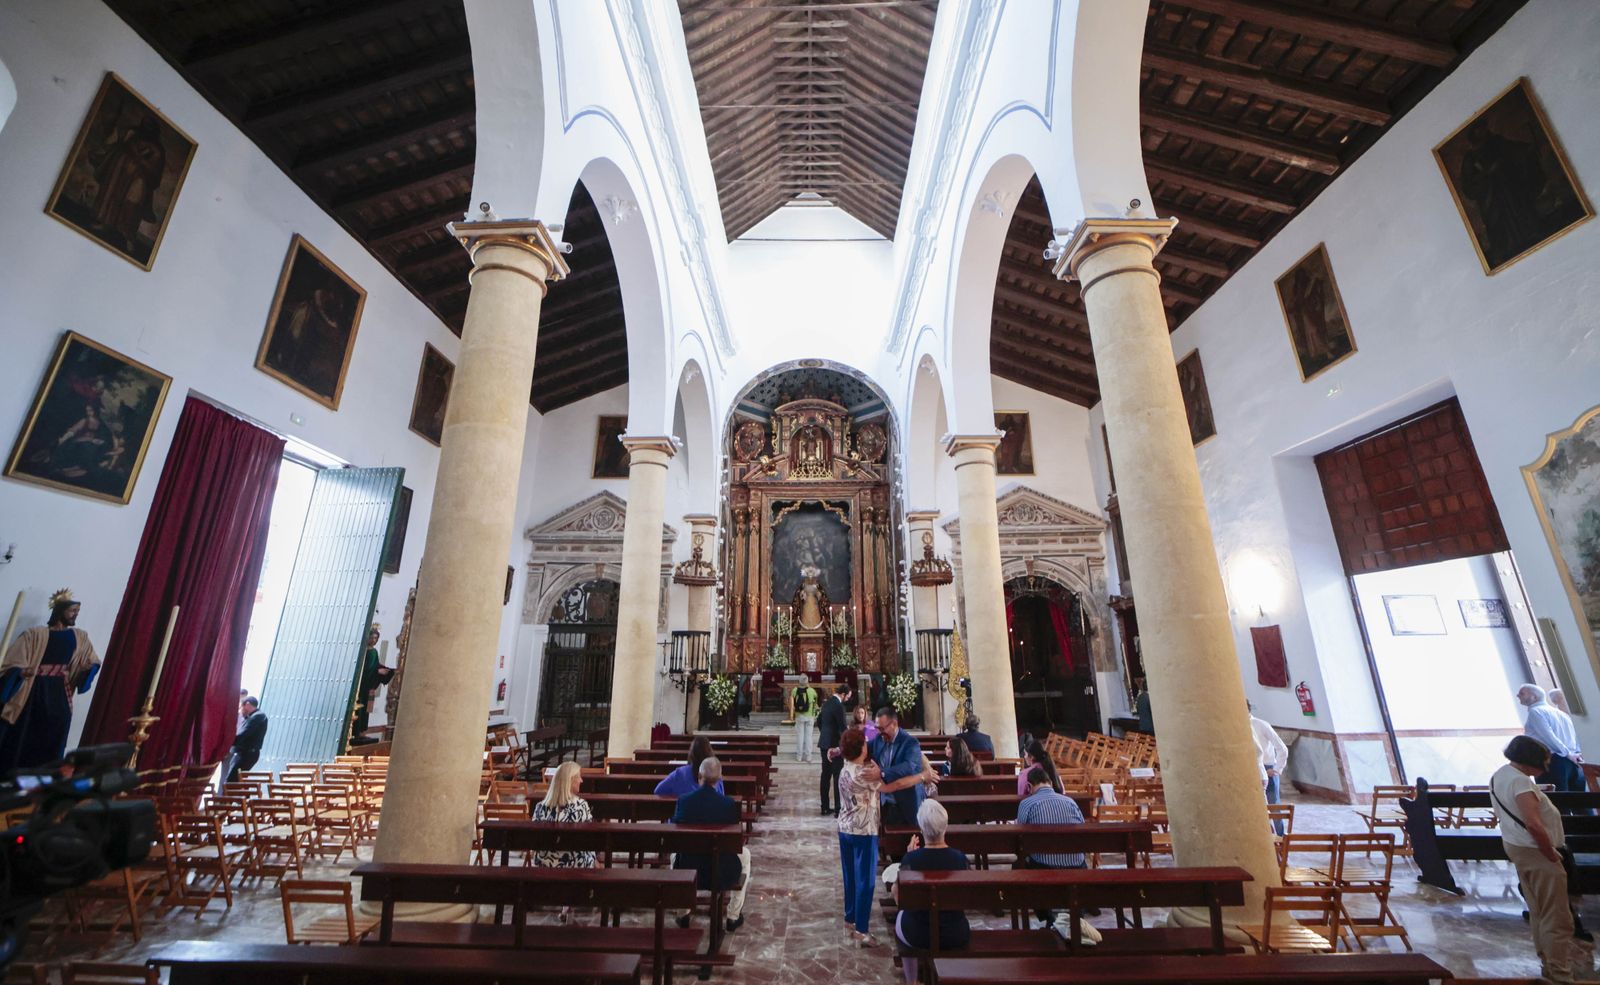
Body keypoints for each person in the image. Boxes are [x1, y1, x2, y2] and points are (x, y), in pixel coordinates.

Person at [1493, 735, 1578, 983]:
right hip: (1537, 852)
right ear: (1530, 760)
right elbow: (1533, 824)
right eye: (1544, 761)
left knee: (1539, 910)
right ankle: (1560, 972)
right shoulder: (1520, 782)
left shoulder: (1500, 774)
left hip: (1518, 848)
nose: (1546, 767)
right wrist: (1550, 852)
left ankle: (1548, 964)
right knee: (1557, 916)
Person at [0, 590, 101, 772]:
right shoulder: (35, 634)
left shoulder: (79, 637)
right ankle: (12, 775)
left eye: (77, 612)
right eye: (72, 611)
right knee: (24, 731)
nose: (75, 615)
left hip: (59, 693)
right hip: (33, 691)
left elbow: (92, 660)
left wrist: (88, 668)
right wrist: (21, 671)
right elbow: (13, 662)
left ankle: (46, 776)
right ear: (60, 611)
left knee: (55, 731)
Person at [892, 800, 969, 984]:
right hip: (955, 933)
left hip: (918, 933)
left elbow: (898, 896)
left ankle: (912, 981)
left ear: (921, 828)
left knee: (901, 915)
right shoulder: (960, 859)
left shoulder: (911, 859)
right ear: (945, 827)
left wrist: (909, 856)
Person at [671, 757, 751, 933]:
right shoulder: (728, 804)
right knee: (745, 855)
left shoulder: (684, 801)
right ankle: (733, 916)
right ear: (720, 778)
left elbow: (676, 832)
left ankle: (683, 912)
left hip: (689, 866)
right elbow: (734, 841)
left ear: (700, 777)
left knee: (674, 855)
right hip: (720, 869)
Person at [1016, 764, 1093, 941]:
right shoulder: (1070, 801)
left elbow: (1020, 836)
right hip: (1076, 865)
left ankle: (1047, 915)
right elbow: (1082, 832)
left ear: (1029, 786)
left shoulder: (1027, 803)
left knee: (1020, 866)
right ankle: (1076, 912)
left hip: (1044, 866)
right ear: (1050, 782)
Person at [836, 725, 883, 948]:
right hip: (864, 830)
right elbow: (889, 787)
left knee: (850, 875)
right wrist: (921, 776)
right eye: (865, 743)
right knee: (865, 880)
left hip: (845, 827)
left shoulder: (846, 768)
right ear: (861, 748)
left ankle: (851, 916)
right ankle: (861, 931)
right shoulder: (865, 774)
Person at [869, 706, 938, 826]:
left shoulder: (910, 743)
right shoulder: (878, 740)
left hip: (907, 804)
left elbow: (908, 768)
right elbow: (863, 747)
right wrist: (842, 749)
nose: (879, 732)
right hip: (885, 803)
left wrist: (882, 772)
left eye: (882, 728)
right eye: (877, 728)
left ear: (894, 724)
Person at [1519, 685, 1585, 793]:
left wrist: (1568, 754)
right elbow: (1574, 736)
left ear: (1534, 697)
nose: (1518, 696)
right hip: (1574, 761)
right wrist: (1576, 753)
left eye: (1522, 693)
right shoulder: (1561, 713)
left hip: (1552, 761)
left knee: (1556, 801)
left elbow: (1548, 737)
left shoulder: (1535, 712)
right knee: (1580, 801)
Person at [1248, 703, 1289, 835]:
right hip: (1250, 768)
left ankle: (1280, 838)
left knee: (1273, 806)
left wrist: (1276, 769)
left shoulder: (1260, 724)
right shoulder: (1237, 726)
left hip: (1267, 768)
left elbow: (1282, 748)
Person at [353, 625, 395, 740]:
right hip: (363, 685)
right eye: (372, 637)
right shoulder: (365, 651)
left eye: (376, 638)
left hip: (367, 687)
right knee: (360, 708)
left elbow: (375, 665)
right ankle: (356, 732)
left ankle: (361, 731)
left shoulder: (373, 652)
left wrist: (384, 669)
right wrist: (377, 671)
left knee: (365, 709)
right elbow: (365, 669)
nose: (374, 640)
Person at [817, 682, 852, 815]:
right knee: (837, 775)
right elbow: (842, 727)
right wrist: (847, 740)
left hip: (824, 743)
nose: (847, 700)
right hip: (835, 745)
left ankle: (824, 807)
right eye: (847, 697)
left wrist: (825, 734)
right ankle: (838, 808)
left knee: (825, 775)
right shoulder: (839, 706)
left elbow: (819, 721)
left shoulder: (826, 703)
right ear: (843, 694)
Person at [653, 736, 723, 798]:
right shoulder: (715, 773)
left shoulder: (679, 774)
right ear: (710, 753)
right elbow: (721, 796)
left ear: (692, 754)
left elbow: (658, 791)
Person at [227, 697, 268, 783]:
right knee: (236, 781)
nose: (241, 710)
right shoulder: (253, 716)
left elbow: (242, 735)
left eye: (241, 707)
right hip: (244, 753)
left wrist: (226, 742)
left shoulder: (257, 717)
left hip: (245, 754)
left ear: (248, 704)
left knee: (231, 782)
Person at [793, 680, 819, 763]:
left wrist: (792, 715)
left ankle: (799, 756)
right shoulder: (812, 690)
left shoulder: (795, 690)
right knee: (808, 736)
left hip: (799, 716)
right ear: (807, 682)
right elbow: (816, 701)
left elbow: (792, 702)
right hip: (809, 716)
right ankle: (808, 756)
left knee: (800, 736)